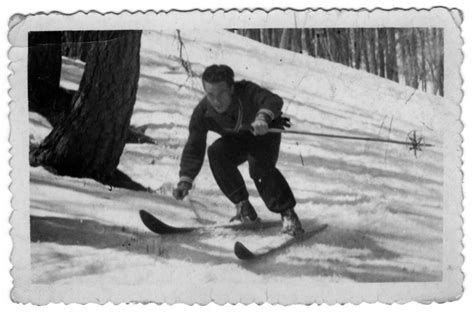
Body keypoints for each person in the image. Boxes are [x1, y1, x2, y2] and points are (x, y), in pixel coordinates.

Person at [172, 64, 304, 237]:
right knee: (216, 152)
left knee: (258, 166)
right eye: (210, 95)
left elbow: (273, 100)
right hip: (239, 138)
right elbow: (194, 146)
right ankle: (244, 207)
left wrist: (263, 117)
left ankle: (288, 214)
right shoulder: (203, 112)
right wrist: (185, 181)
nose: (216, 101)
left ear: (232, 89)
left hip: (265, 133)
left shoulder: (247, 91)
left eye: (221, 94)